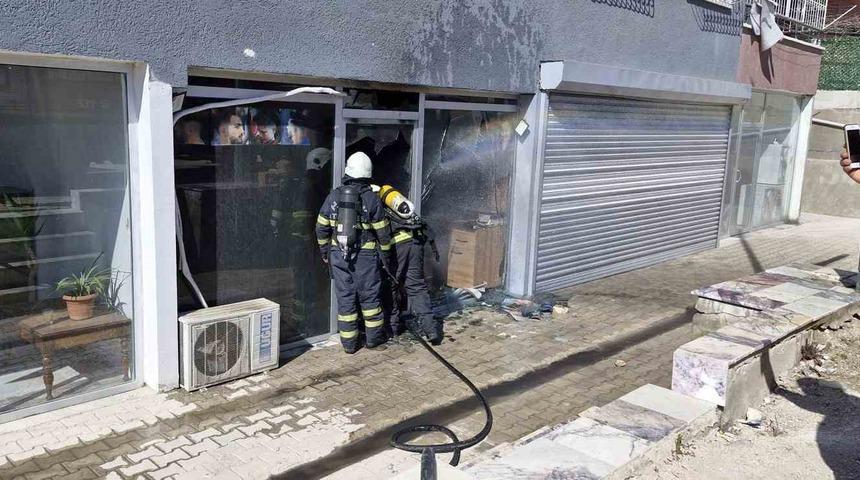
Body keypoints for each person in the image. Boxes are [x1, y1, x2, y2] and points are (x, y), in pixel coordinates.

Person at [315, 152, 393, 353]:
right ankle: (374, 340)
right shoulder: (371, 199)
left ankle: (349, 345)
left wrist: (325, 252)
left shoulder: (333, 196)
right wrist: (386, 256)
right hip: (365, 258)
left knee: (345, 299)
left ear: (348, 172)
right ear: (367, 174)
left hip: (338, 255)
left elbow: (321, 228)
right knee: (370, 299)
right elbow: (383, 234)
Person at [380, 187, 443, 345]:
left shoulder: (376, 203)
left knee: (392, 284)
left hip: (398, 246)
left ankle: (393, 327)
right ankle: (431, 330)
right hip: (415, 242)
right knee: (417, 286)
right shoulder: (400, 204)